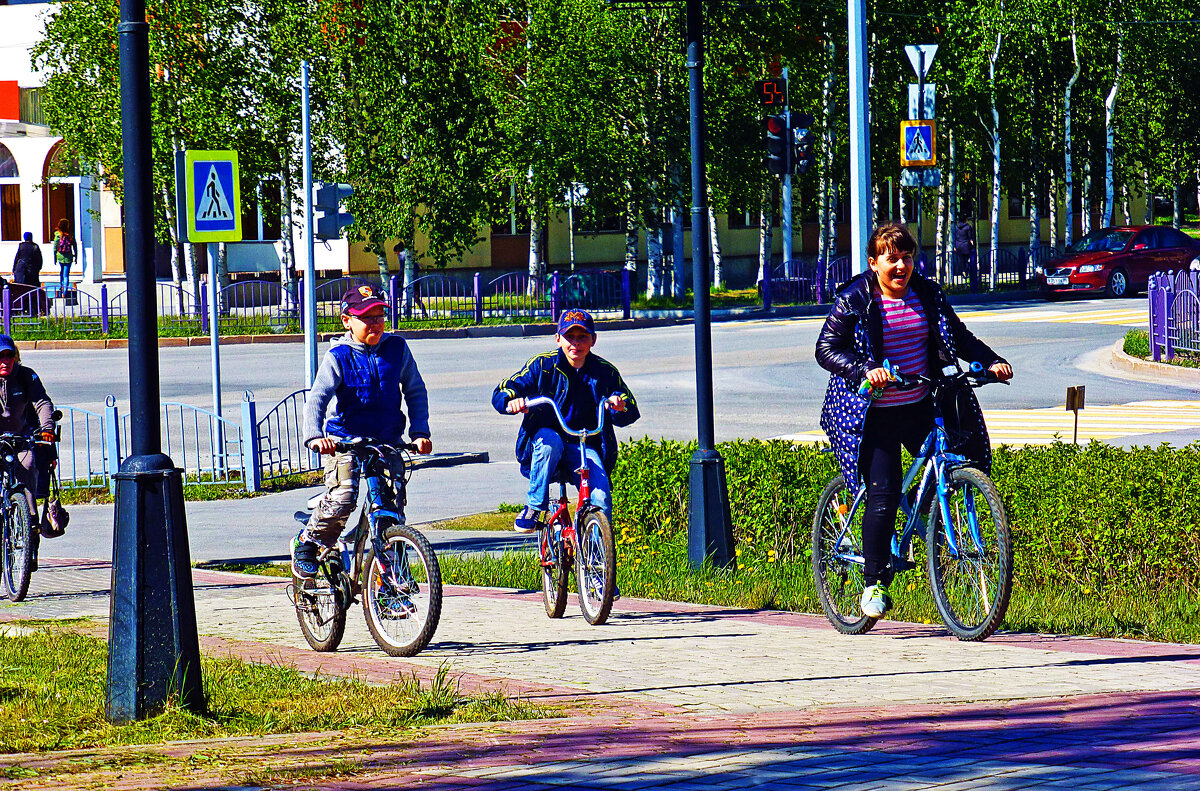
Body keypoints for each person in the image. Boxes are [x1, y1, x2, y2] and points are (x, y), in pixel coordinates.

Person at [815, 223, 1012, 619]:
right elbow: (826, 349)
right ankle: (873, 583)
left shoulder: (927, 293)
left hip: (922, 401)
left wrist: (991, 360)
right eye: (892, 259)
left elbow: (957, 336)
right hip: (871, 413)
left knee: (958, 458)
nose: (901, 265)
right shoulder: (856, 298)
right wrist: (864, 369)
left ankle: (932, 521)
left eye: (907, 257)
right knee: (884, 493)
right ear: (874, 263)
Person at [291, 284, 433, 578]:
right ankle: (307, 543)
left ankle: (392, 586)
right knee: (345, 496)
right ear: (347, 321)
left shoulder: (397, 349)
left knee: (390, 513)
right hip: (344, 442)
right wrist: (316, 437)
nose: (376, 323)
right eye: (367, 317)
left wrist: (420, 433)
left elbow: (415, 391)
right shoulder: (339, 355)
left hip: (387, 443)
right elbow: (318, 397)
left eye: (380, 316)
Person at [492, 309, 640, 533]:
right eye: (569, 337)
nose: (576, 344)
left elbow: (628, 405)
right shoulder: (543, 365)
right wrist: (511, 400)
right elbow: (507, 387)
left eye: (582, 337)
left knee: (601, 497)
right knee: (550, 439)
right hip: (546, 445)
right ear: (558, 338)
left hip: (585, 445)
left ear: (593, 340)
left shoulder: (605, 372)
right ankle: (534, 507)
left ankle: (595, 557)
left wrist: (619, 405)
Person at [0, 334, 57, 548]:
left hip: (20, 438)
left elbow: (42, 403)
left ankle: (31, 519)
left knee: (29, 463)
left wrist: (47, 429)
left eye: (9, 355)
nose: (5, 361)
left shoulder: (25, 376)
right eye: (0, 356)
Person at [12, 232, 45, 317]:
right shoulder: (35, 246)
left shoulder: (21, 246)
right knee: (32, 291)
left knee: (20, 291)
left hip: (21, 272)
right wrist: (37, 269)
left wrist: (14, 270)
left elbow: (17, 258)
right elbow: (39, 260)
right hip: (32, 273)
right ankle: (32, 310)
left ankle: (20, 310)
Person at [393, 241, 428, 319]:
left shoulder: (401, 255)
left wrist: (398, 277)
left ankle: (404, 313)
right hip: (416, 279)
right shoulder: (409, 254)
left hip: (407, 280)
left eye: (396, 253)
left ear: (398, 250)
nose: (396, 255)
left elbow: (402, 268)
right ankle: (425, 313)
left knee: (403, 297)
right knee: (416, 298)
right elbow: (417, 267)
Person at [953, 215, 978, 292]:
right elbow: (970, 237)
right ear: (965, 219)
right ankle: (966, 272)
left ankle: (964, 271)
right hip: (966, 246)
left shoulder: (956, 227)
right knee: (967, 260)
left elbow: (955, 236)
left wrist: (954, 246)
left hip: (959, 245)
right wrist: (973, 244)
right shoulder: (968, 227)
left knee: (962, 260)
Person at [53, 219, 76, 297]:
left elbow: (55, 247)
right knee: (66, 275)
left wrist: (54, 258)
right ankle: (65, 292)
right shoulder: (70, 235)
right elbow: (75, 246)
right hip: (68, 257)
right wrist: (76, 256)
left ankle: (61, 287)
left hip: (60, 256)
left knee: (62, 272)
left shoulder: (57, 235)